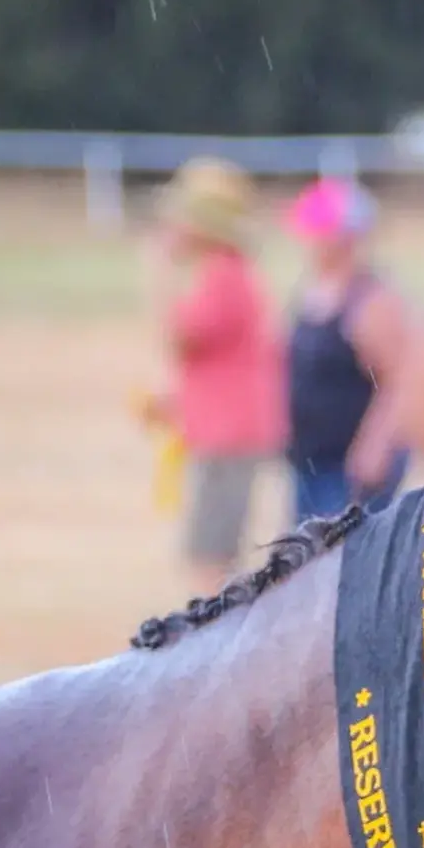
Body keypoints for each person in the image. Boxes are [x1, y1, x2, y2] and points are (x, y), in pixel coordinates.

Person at [147, 157, 282, 592]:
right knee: (215, 553)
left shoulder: (223, 276)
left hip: (227, 439)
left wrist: (160, 272)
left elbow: (178, 337)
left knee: (211, 560)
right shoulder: (226, 274)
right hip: (225, 433)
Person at [281, 176, 414, 521]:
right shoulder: (311, 291)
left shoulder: (373, 302)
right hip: (310, 461)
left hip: (351, 468)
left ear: (346, 237)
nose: (308, 242)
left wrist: (376, 446)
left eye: (318, 232)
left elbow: (401, 380)